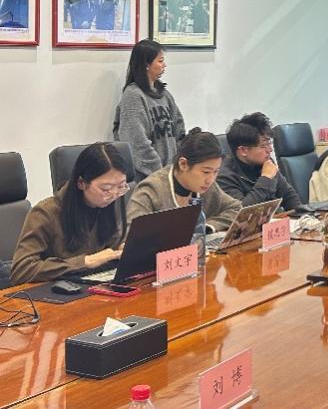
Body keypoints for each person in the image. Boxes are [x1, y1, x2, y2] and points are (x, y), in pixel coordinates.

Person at [11, 143, 128, 284]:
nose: (114, 195)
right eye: (106, 189)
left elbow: (110, 247)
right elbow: (21, 271)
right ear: (81, 183)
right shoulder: (46, 213)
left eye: (121, 186)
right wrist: (85, 261)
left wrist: (122, 249)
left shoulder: (109, 203)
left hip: (96, 285)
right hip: (55, 291)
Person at [127, 129, 240, 233]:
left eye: (216, 172)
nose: (210, 180)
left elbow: (236, 209)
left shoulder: (206, 186)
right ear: (183, 164)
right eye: (206, 172)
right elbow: (131, 232)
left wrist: (208, 226)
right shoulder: (151, 189)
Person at [114, 39, 186, 180]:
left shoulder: (164, 94)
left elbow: (179, 130)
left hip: (170, 173)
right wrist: (160, 173)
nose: (164, 65)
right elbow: (136, 142)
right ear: (146, 64)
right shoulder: (133, 95)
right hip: (148, 178)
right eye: (160, 61)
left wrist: (177, 167)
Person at [217, 112, 304, 211]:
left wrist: (302, 214)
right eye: (263, 146)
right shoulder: (224, 176)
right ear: (243, 150)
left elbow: (288, 195)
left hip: (274, 219)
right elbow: (243, 213)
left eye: (269, 143)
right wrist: (265, 179)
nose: (270, 150)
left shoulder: (266, 162)